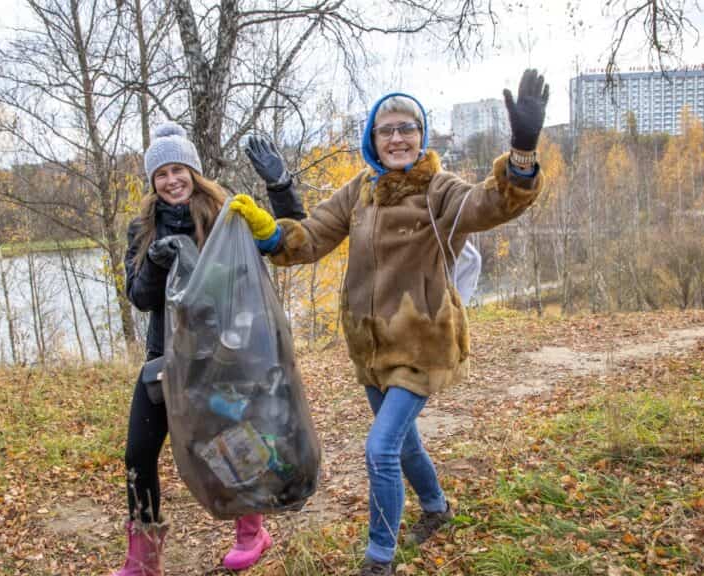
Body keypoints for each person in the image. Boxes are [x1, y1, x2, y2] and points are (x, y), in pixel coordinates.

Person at [230, 69, 549, 575]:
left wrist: (523, 152)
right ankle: (437, 507)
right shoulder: (360, 192)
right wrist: (274, 211)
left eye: (407, 128)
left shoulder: (439, 190)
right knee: (404, 445)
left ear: (420, 136)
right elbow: (309, 239)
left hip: (422, 344)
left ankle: (379, 558)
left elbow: (493, 203)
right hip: (371, 348)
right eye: (387, 130)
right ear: (372, 140)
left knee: (380, 448)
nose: (397, 137)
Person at [112, 122, 301, 575]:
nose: (171, 180)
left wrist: (280, 186)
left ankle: (252, 531)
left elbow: (287, 239)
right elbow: (139, 298)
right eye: (161, 173)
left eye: (179, 169)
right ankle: (144, 557)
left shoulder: (225, 216)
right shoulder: (141, 229)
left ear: (194, 172)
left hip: (226, 358)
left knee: (236, 441)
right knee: (138, 452)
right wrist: (156, 263)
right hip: (167, 360)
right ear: (152, 182)